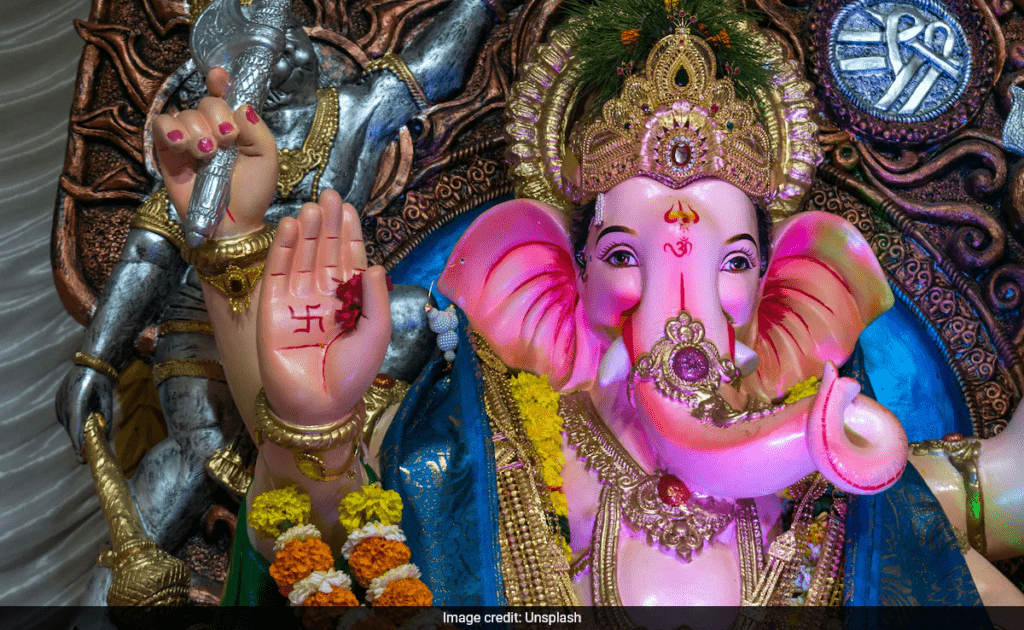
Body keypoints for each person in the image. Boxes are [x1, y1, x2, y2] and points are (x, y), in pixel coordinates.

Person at [158, 0, 1024, 618]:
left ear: (790, 291)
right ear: (541, 281)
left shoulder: (838, 474)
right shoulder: (477, 451)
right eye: (622, 256)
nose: (676, 301)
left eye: (731, 262)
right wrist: (298, 394)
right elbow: (314, 556)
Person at [55, 0, 514, 609]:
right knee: (198, 460)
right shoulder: (207, 160)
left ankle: (366, 459)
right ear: (225, 78)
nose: (296, 53)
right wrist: (97, 361)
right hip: (206, 335)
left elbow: (432, 66)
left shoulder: (350, 112)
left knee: (419, 322)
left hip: (328, 323)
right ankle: (100, 602)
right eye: (267, 51)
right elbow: (147, 260)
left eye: (296, 39)